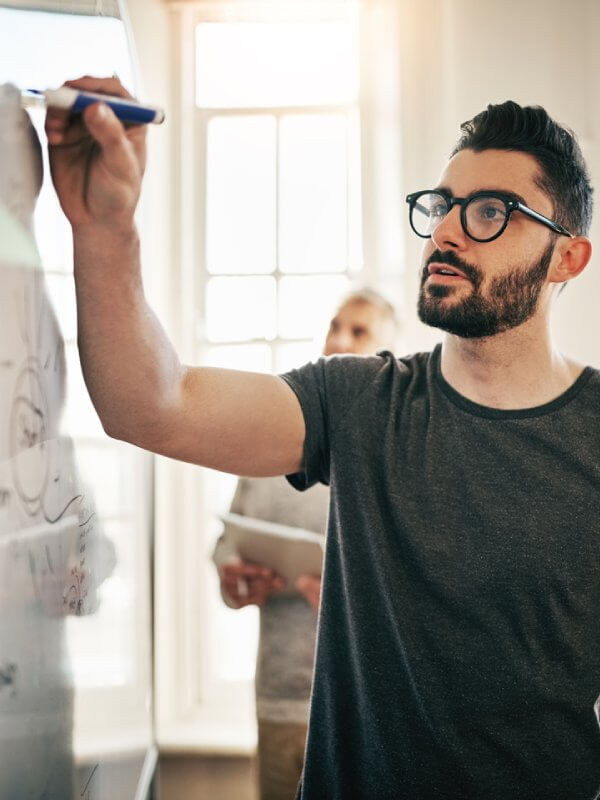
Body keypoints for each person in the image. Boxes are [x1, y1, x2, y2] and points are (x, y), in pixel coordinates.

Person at [45, 77, 600, 799]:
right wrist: (105, 229)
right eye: (443, 205)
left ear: (567, 259)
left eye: (490, 210)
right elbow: (152, 405)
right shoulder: (359, 399)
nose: (446, 230)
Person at [213, 289, 399, 800]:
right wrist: (232, 575)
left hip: (365, 710)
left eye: (359, 331)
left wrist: (354, 599)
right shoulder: (272, 449)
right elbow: (226, 546)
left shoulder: (396, 461)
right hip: (277, 701)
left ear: (390, 354)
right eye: (335, 325)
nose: (339, 338)